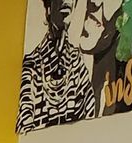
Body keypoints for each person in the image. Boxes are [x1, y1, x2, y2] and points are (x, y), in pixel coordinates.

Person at [18, 0, 97, 133]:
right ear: (48, 8)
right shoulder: (31, 69)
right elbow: (25, 126)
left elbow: (90, 120)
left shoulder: (77, 65)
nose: (66, 1)